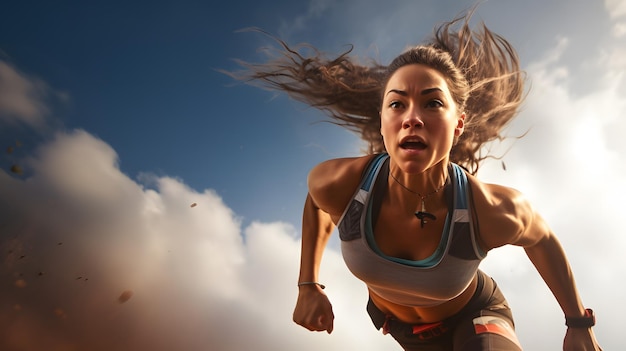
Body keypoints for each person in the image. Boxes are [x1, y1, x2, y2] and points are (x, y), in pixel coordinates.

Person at [232, 10, 602, 351]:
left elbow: (543, 239)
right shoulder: (339, 183)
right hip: (405, 334)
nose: (412, 118)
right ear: (382, 120)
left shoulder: (490, 209)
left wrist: (578, 324)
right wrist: (308, 284)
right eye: (397, 104)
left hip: (479, 315)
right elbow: (316, 202)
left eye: (432, 103)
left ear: (458, 123)